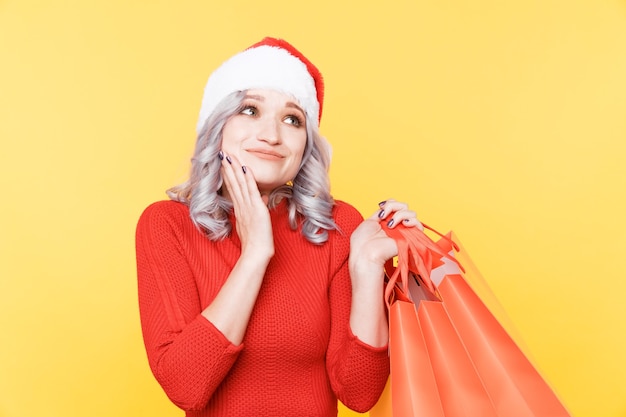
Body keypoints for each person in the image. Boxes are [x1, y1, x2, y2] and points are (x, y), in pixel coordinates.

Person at [135, 37, 421, 417]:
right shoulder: (167, 224)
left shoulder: (336, 226)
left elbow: (359, 393)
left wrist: (367, 267)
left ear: (306, 145)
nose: (272, 135)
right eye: (250, 109)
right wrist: (255, 254)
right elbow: (185, 385)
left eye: (292, 119)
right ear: (217, 126)